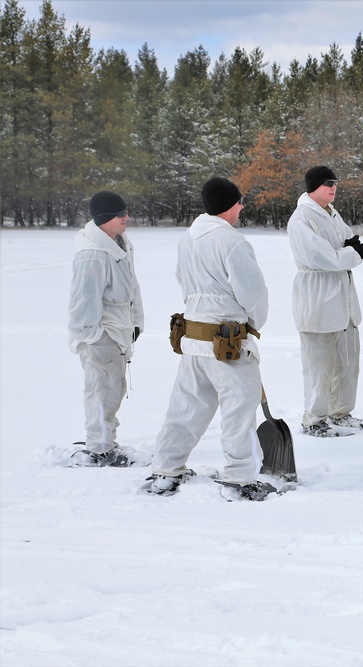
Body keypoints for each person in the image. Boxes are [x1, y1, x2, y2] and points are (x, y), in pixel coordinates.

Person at [148, 177, 272, 500]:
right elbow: (253, 294)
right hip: (227, 343)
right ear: (228, 205)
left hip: (193, 339)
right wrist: (254, 325)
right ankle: (240, 479)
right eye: (240, 202)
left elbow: (181, 278)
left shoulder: (188, 238)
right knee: (239, 408)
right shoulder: (233, 242)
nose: (243, 207)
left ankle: (165, 469)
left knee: (186, 406)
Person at [287, 166, 363, 437]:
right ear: (312, 187)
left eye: (334, 183)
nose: (333, 187)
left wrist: (352, 248)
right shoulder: (302, 219)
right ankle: (314, 420)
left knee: (347, 361)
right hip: (318, 298)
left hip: (343, 300)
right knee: (318, 365)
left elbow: (346, 242)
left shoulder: (332, 213)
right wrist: (351, 253)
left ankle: (341, 413)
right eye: (326, 183)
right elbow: (323, 257)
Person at [68, 191, 144, 466]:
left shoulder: (120, 243)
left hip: (118, 332)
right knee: (102, 391)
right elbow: (81, 306)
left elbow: (131, 289)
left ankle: (104, 441)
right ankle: (99, 448)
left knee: (114, 389)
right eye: (120, 214)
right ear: (104, 219)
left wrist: (136, 322)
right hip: (101, 335)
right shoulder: (93, 256)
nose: (127, 218)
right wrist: (95, 337)